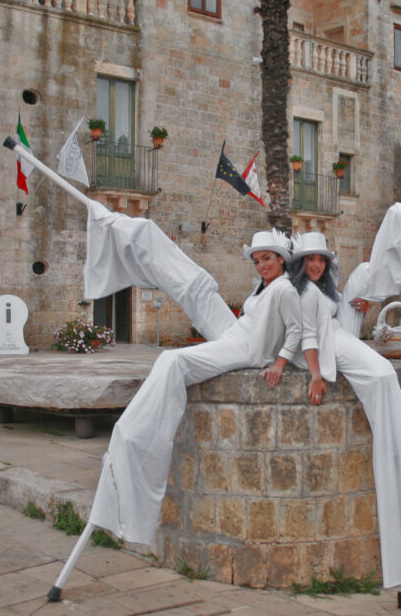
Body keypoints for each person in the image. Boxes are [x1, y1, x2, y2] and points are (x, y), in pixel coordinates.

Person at [85, 228, 302, 546]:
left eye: (267, 258)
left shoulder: (284, 290)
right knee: (193, 300)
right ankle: (137, 235)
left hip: (245, 349)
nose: (261, 265)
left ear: (282, 259)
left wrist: (280, 363)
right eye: (257, 260)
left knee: (174, 361)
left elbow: (295, 330)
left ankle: (135, 432)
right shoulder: (265, 288)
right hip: (235, 336)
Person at [289, 232, 401, 610]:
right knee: (385, 386)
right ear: (301, 265)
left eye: (320, 259)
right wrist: (317, 374)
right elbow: (307, 335)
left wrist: (361, 301)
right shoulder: (304, 294)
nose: (316, 265)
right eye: (310, 260)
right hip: (342, 354)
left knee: (398, 427)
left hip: (353, 350)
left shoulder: (329, 293)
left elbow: (346, 309)